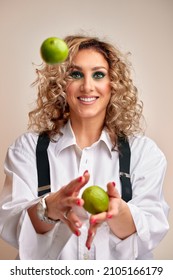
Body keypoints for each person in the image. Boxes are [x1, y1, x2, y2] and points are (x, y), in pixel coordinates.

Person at [0, 35, 169, 260]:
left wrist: (118, 213)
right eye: (75, 74)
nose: (87, 86)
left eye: (98, 74)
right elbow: (9, 225)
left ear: (113, 85)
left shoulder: (144, 153)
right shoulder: (28, 149)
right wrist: (47, 209)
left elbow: (152, 230)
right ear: (61, 85)